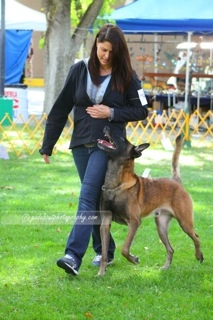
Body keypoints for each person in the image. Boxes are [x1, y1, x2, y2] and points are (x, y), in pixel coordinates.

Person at [39, 23, 148, 276]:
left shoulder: (128, 76)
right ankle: (105, 251)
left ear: (118, 52)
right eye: (102, 49)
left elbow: (142, 110)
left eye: (111, 52)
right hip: (81, 143)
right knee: (96, 201)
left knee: (87, 197)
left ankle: (73, 255)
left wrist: (111, 112)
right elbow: (60, 107)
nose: (106, 56)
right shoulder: (79, 70)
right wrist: (48, 144)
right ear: (95, 44)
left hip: (109, 146)